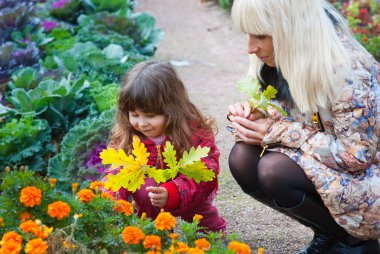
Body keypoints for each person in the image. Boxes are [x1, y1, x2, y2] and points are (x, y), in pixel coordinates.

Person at [227, 0, 380, 253]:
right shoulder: (280, 57)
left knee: (273, 169)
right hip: (328, 167)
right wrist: (249, 119)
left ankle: (357, 243)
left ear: (291, 28)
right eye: (248, 34)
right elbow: (280, 118)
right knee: (242, 157)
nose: (250, 48)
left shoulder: (348, 69)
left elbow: (356, 157)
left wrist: (274, 130)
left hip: (368, 183)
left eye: (261, 36)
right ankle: (330, 234)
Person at [104, 60, 226, 232]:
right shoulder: (129, 135)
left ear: (172, 110)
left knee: (199, 212)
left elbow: (207, 171)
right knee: (145, 192)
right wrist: (110, 201)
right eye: (134, 115)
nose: (141, 123)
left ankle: (212, 236)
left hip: (187, 188)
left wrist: (174, 192)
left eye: (150, 115)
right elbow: (118, 172)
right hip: (150, 190)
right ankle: (154, 233)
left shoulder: (193, 131)